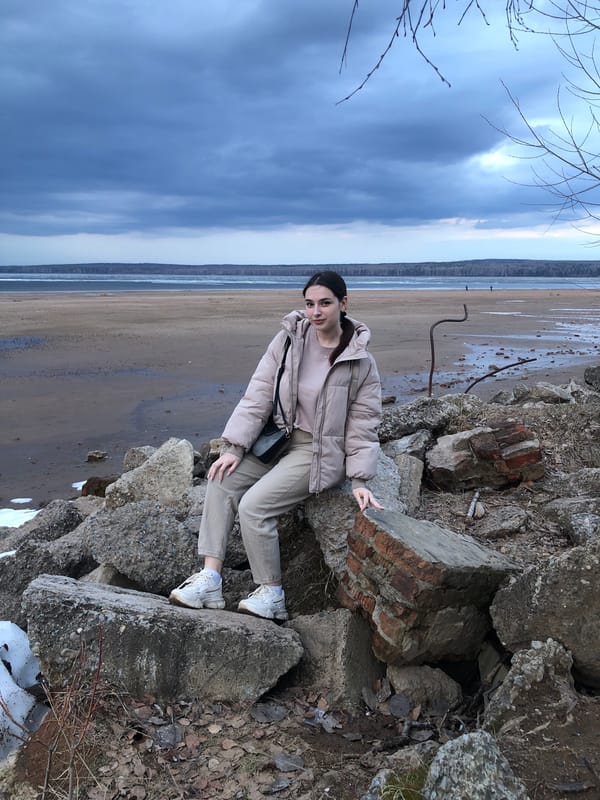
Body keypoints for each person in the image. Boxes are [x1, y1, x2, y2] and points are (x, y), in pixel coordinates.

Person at [169, 271, 383, 621]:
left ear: (344, 304)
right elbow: (258, 394)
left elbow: (363, 424)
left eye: (325, 303)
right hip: (277, 439)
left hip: (315, 452)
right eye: (310, 304)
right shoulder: (288, 340)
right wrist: (235, 447)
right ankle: (210, 578)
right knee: (221, 479)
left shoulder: (360, 363)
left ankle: (272, 593)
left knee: (254, 506)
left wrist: (359, 479)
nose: (316, 312)